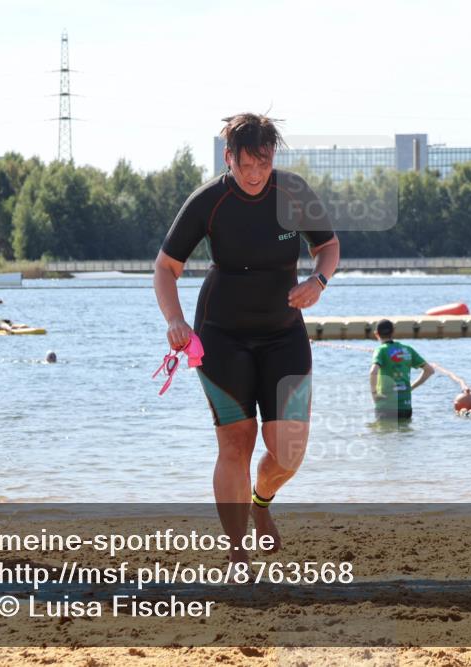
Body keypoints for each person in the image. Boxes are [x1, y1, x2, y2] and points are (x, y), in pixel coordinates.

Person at [153, 113, 340, 564]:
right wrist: (175, 320)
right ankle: (238, 553)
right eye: (245, 165)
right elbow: (165, 268)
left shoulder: (292, 192)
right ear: (228, 158)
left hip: (283, 335)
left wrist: (318, 281)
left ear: (272, 156)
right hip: (222, 337)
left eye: (263, 163)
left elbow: (327, 246)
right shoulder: (208, 201)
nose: (255, 175)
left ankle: (261, 502)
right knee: (236, 442)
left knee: (289, 452)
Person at [369, 319, 434, 420]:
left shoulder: (380, 350)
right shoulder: (407, 349)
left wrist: (374, 394)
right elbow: (429, 370)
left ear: (376, 334)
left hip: (386, 406)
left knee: (383, 433)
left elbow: (373, 372)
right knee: (405, 434)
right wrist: (411, 387)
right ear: (393, 331)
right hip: (406, 406)